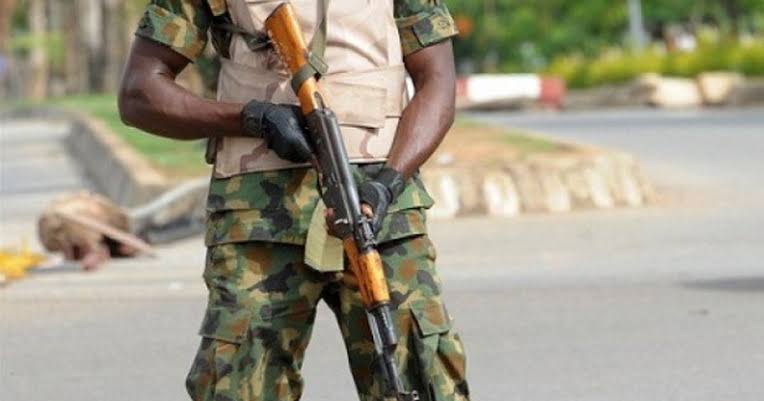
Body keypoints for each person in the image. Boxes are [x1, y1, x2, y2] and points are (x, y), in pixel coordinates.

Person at [118, 1, 470, 400]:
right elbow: (139, 93)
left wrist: (388, 184)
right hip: (258, 213)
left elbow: (437, 81)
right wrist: (253, 118)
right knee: (240, 385)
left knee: (418, 374)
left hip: (379, 211)